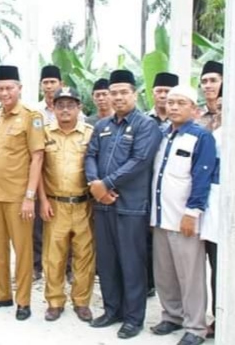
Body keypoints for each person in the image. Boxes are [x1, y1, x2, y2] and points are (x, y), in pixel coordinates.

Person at [85, 69, 162, 339]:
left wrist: (106, 184)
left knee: (131, 262)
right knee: (107, 262)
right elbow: (91, 155)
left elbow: (140, 161)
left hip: (131, 205)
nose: (117, 97)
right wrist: (96, 185)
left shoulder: (146, 125)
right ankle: (112, 310)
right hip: (103, 205)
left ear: (134, 94)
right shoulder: (102, 126)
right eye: (113, 93)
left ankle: (132, 318)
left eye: (122, 93)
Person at [149, 85, 215, 345]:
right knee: (164, 272)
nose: (173, 107)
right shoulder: (164, 134)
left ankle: (195, 327)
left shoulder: (200, 137)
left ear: (194, 109)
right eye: (171, 102)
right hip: (161, 216)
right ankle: (172, 316)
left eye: (180, 103)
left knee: (191, 276)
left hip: (184, 218)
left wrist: (192, 212)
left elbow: (203, 175)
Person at [0, 65, 45, 321]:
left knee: (23, 250)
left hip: (19, 197)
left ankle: (23, 301)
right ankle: (1, 294)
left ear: (19, 88)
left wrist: (30, 197)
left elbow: (37, 157)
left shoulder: (31, 116)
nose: (4, 93)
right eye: (0, 89)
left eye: (9, 88)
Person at [38, 87, 95, 323]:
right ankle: (54, 301)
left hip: (83, 205)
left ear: (79, 107)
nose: (65, 109)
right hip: (55, 204)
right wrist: (41, 200)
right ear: (53, 107)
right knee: (54, 257)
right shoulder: (44, 134)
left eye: (70, 105)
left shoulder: (90, 133)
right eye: (60, 105)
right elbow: (37, 169)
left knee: (84, 256)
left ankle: (81, 302)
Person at [143, 71, 179, 299]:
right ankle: (149, 283)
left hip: (173, 192)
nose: (163, 96)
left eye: (168, 91)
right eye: (159, 91)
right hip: (145, 187)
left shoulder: (182, 123)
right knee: (146, 239)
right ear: (153, 93)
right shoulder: (145, 120)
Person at [200, 85, 221, 339]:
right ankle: (219, 316)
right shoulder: (212, 134)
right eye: (221, 108)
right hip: (213, 206)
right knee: (217, 264)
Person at [196, 61, 223, 131]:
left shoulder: (231, 113)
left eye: (213, 81)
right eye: (204, 82)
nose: (207, 86)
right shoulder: (194, 115)